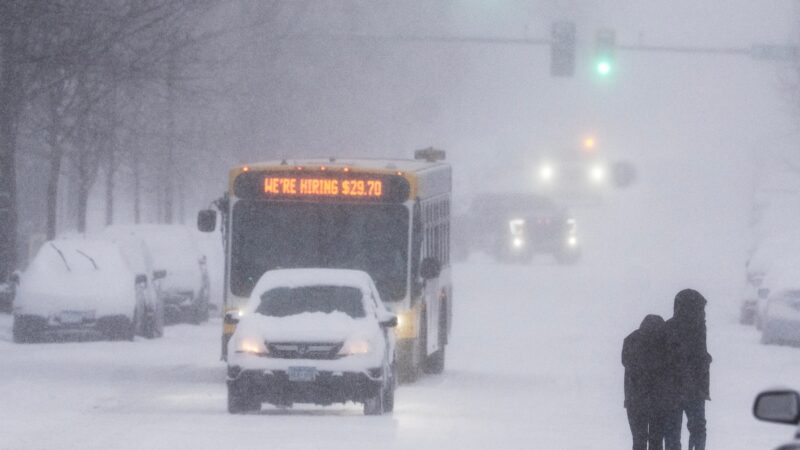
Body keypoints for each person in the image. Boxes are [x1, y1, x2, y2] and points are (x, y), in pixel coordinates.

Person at [663, 289, 712, 450]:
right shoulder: (698, 328)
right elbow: (696, 358)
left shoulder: (669, 327)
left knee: (672, 431)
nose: (704, 313)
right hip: (693, 390)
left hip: (673, 389)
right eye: (701, 309)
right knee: (698, 429)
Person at [622, 314, 669, 450]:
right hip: (658, 400)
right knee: (656, 441)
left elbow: (625, 362)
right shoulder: (663, 342)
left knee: (638, 441)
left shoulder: (631, 340)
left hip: (634, 400)